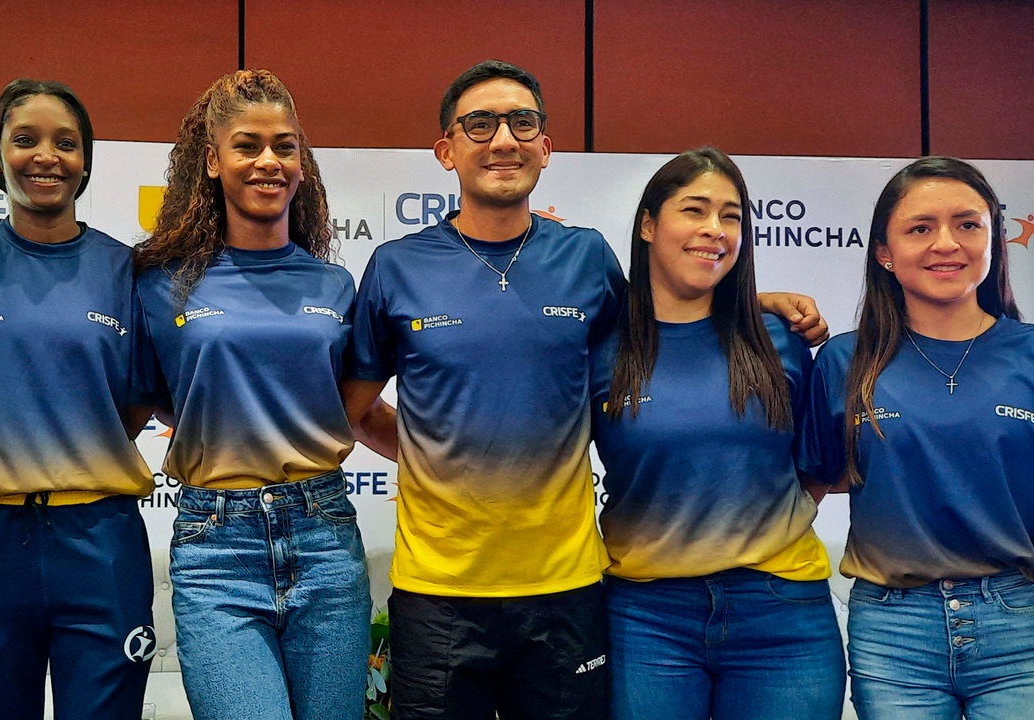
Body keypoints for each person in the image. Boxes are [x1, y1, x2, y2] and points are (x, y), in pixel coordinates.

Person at [343, 60, 829, 720]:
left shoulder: (586, 258)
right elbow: (353, 409)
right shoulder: (397, 266)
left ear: (546, 147)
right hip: (438, 593)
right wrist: (433, 459)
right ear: (446, 150)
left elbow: (659, 329)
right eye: (480, 124)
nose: (503, 139)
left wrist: (754, 304)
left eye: (523, 123)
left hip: (568, 590)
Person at [131, 69, 374, 720]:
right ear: (211, 160)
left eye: (285, 145)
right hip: (217, 549)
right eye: (247, 145)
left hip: (324, 537)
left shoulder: (334, 284)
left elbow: (356, 409)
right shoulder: (160, 284)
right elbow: (143, 401)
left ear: (302, 162)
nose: (269, 160)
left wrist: (452, 460)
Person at [591, 148, 845, 720]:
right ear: (650, 225)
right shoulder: (601, 347)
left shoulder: (781, 339)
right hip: (646, 615)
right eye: (695, 210)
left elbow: (817, 466)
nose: (715, 229)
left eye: (731, 216)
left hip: (782, 610)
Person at [801, 156, 1034, 719]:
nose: (946, 243)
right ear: (884, 251)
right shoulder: (844, 361)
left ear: (993, 240)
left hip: (1019, 622)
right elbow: (806, 489)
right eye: (920, 228)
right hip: (893, 631)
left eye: (968, 224)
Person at [0, 79, 155, 719]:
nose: (47, 156)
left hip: (99, 539)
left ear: (86, 161)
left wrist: (80, 440)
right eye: (25, 139)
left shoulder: (128, 271)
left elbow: (139, 400)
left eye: (66, 143)